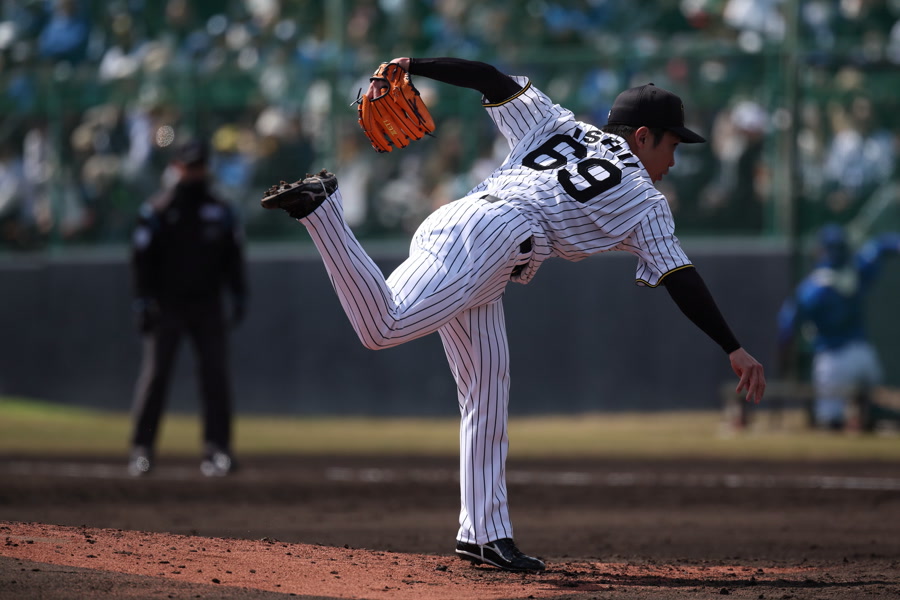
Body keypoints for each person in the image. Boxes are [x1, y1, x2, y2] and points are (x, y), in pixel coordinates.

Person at [262, 57, 766, 572]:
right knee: (382, 327)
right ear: (643, 136)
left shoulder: (558, 123)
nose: (674, 160)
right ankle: (322, 211)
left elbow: (490, 78)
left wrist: (414, 64)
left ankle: (483, 533)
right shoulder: (644, 198)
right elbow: (680, 276)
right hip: (495, 238)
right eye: (672, 144)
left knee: (485, 390)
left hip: (468, 225)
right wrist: (733, 346)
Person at [128, 138, 248, 477]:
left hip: (208, 304)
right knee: (156, 377)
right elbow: (141, 260)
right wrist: (143, 300)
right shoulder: (158, 210)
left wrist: (239, 295)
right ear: (177, 167)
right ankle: (142, 449)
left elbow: (234, 259)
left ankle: (217, 449)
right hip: (167, 305)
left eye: (199, 166)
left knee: (215, 377)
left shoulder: (220, 211)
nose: (194, 172)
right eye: (189, 166)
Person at [777, 224, 900, 431]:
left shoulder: (813, 288)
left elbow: (787, 322)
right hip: (864, 355)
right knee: (871, 415)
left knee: (830, 422)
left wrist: (783, 356)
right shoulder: (857, 271)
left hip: (832, 361)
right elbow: (880, 245)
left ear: (822, 251)